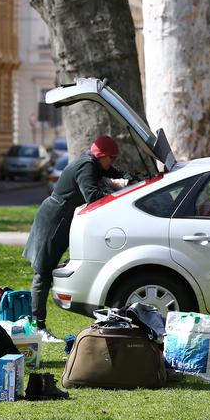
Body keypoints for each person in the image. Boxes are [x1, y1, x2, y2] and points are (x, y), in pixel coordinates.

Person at [23, 135, 131, 343]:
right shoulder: (87, 166)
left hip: (60, 218)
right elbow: (92, 196)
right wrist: (115, 193)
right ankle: (38, 327)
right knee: (42, 273)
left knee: (44, 272)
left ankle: (36, 324)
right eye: (112, 158)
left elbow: (114, 172)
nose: (113, 162)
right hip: (54, 220)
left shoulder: (95, 163)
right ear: (102, 156)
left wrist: (131, 179)